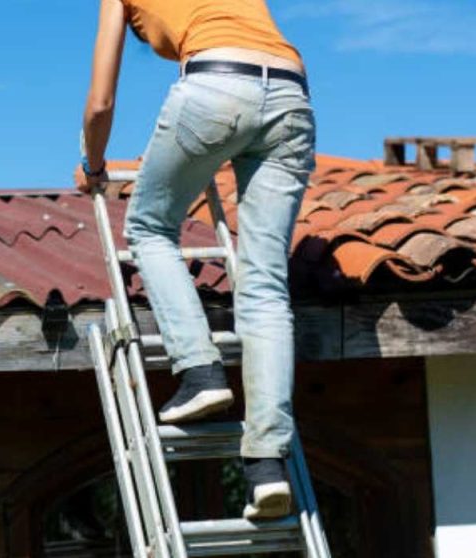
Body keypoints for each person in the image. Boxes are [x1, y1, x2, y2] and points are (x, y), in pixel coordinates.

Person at [79, 0, 315, 519]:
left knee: (148, 226)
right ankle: (266, 467)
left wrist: (92, 163)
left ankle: (201, 375)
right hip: (292, 94)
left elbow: (100, 104)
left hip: (215, 85)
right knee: (266, 285)